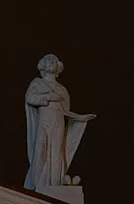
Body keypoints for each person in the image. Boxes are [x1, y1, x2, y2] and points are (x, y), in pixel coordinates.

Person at [23, 53, 94, 190]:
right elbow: (30, 98)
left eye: (53, 60)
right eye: (48, 60)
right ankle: (35, 185)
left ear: (57, 67)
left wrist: (80, 118)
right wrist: (49, 97)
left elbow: (65, 111)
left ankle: (54, 185)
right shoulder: (37, 83)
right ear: (42, 65)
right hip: (44, 118)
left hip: (58, 120)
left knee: (56, 151)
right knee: (40, 150)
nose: (51, 61)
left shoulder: (62, 90)